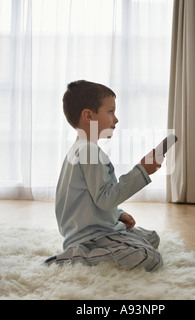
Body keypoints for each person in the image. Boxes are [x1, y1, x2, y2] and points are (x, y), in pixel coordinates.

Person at [45, 80, 163, 272]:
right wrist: (142, 170)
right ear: (88, 116)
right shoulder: (88, 151)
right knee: (150, 258)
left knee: (152, 238)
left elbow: (91, 198)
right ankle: (75, 257)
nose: (115, 119)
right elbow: (105, 198)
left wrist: (118, 214)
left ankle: (116, 242)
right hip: (90, 237)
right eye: (110, 112)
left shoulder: (84, 149)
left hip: (100, 229)